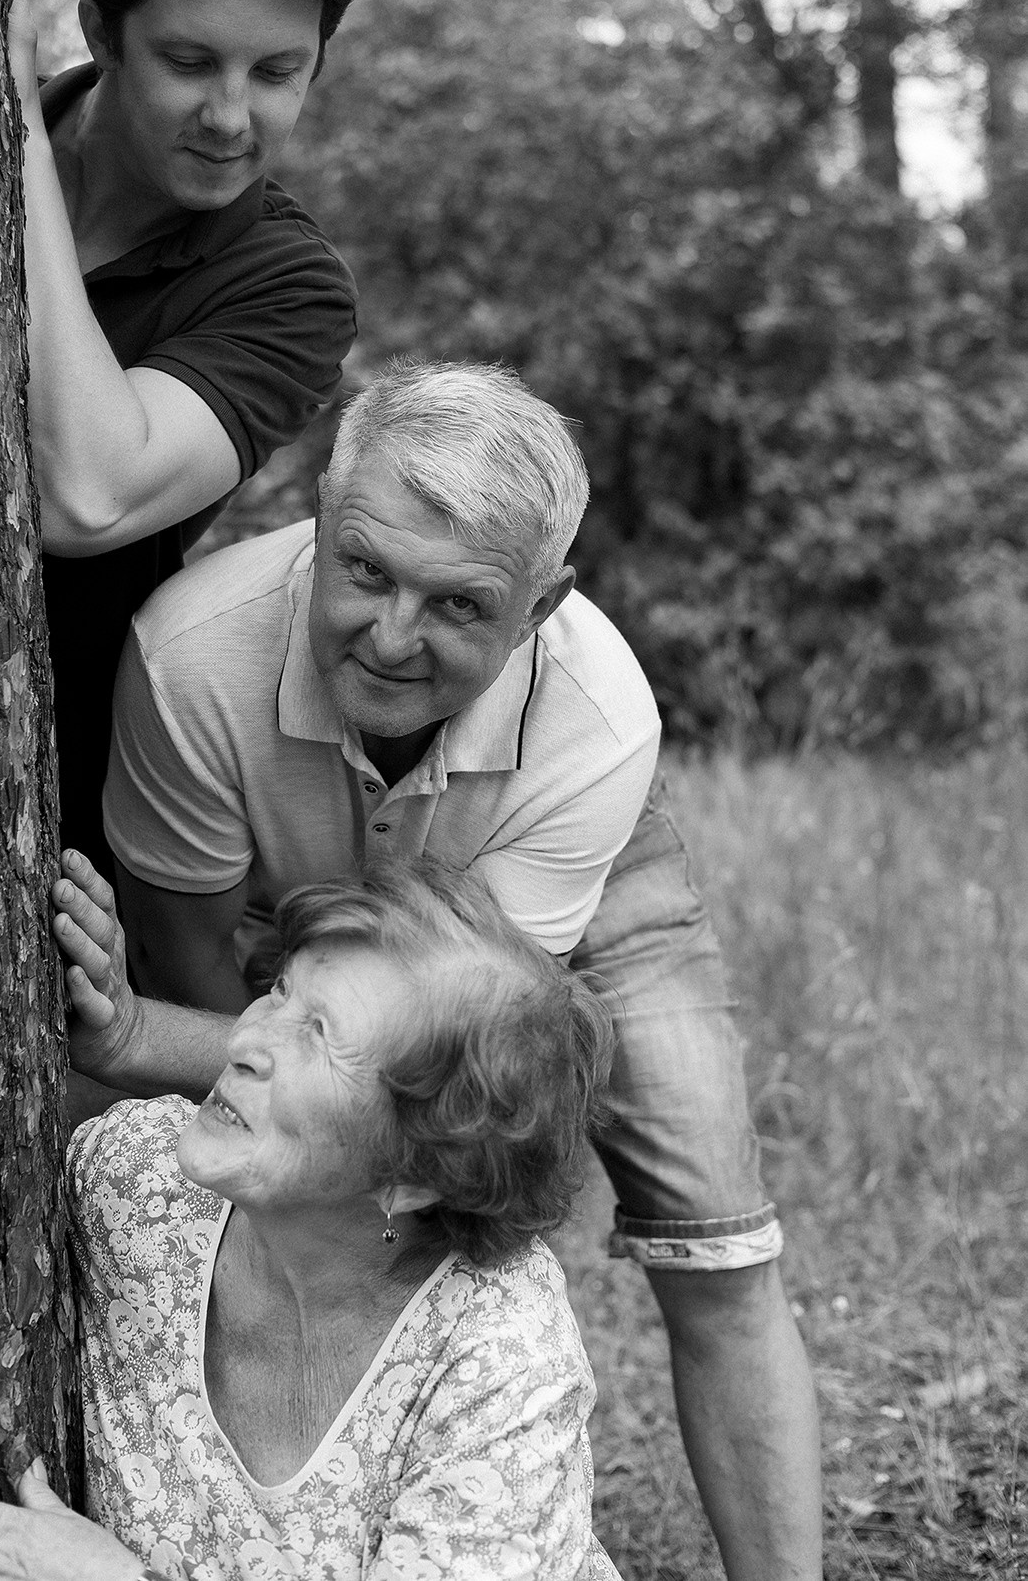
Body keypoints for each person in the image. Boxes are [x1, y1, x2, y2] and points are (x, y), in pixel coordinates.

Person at [79, 359, 824, 1581]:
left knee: (716, 1228)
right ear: (317, 513)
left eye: (459, 604)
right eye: (364, 569)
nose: (390, 635)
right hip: (293, 908)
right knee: (265, 1151)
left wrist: (132, 1037)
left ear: (541, 606)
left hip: (522, 908)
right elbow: (209, 993)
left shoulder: (600, 716)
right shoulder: (189, 659)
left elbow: (460, 1067)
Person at [0, 862, 624, 1580]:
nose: (244, 1041)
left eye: (320, 1038)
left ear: (419, 1174)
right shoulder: (135, 1190)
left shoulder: (499, 1361)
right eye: (281, 993)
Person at [5, 0, 366, 882]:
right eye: (189, 59)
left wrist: (4, 124)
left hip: (33, 812)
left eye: (275, 72)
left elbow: (87, 496)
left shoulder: (290, 289)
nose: (229, 115)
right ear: (98, 28)